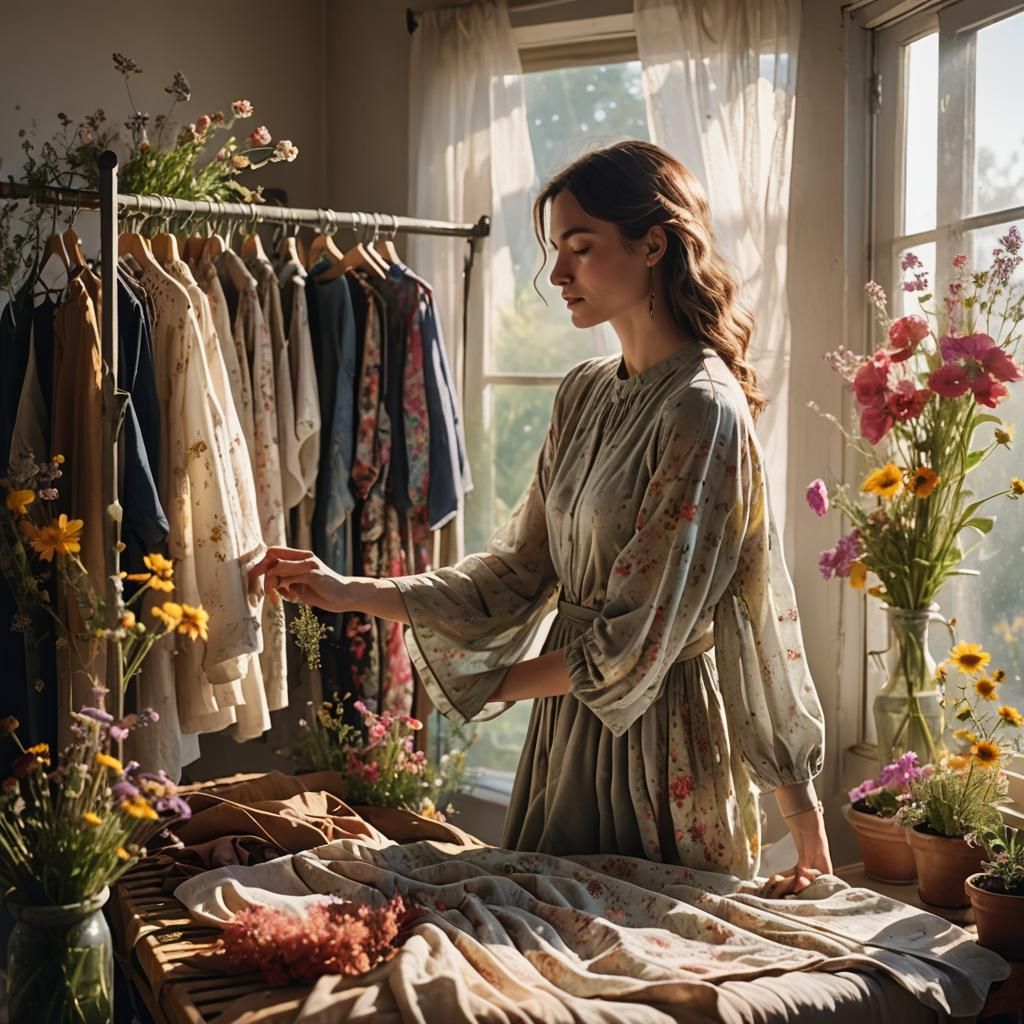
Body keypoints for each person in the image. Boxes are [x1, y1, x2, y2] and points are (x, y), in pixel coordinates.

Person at [248, 141, 830, 897]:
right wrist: (351, 590)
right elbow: (516, 570)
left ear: (652, 244)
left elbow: (646, 642)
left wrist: (489, 684)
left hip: (659, 751)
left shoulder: (703, 409)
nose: (557, 274)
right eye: (556, 250)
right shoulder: (584, 391)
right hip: (568, 738)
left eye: (580, 249)